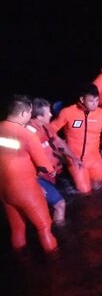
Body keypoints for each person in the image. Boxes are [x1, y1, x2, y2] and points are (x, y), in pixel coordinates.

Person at [51, 84, 102, 194]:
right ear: (82, 99)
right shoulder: (67, 113)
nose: (95, 104)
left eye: (97, 100)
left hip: (95, 159)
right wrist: (55, 151)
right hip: (76, 160)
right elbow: (50, 131)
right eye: (91, 101)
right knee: (85, 192)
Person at [0, 95, 58, 254]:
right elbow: (44, 166)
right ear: (23, 114)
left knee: (17, 229)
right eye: (29, 113)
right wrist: (53, 170)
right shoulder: (27, 135)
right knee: (44, 226)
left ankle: (21, 262)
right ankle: (54, 260)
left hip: (4, 192)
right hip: (25, 189)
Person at [26, 98, 82, 224]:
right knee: (60, 205)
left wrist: (74, 158)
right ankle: (60, 235)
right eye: (48, 113)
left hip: (51, 174)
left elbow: (59, 143)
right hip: (37, 178)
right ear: (39, 117)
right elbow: (22, 164)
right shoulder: (28, 136)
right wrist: (35, 184)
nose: (51, 114)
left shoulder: (46, 127)